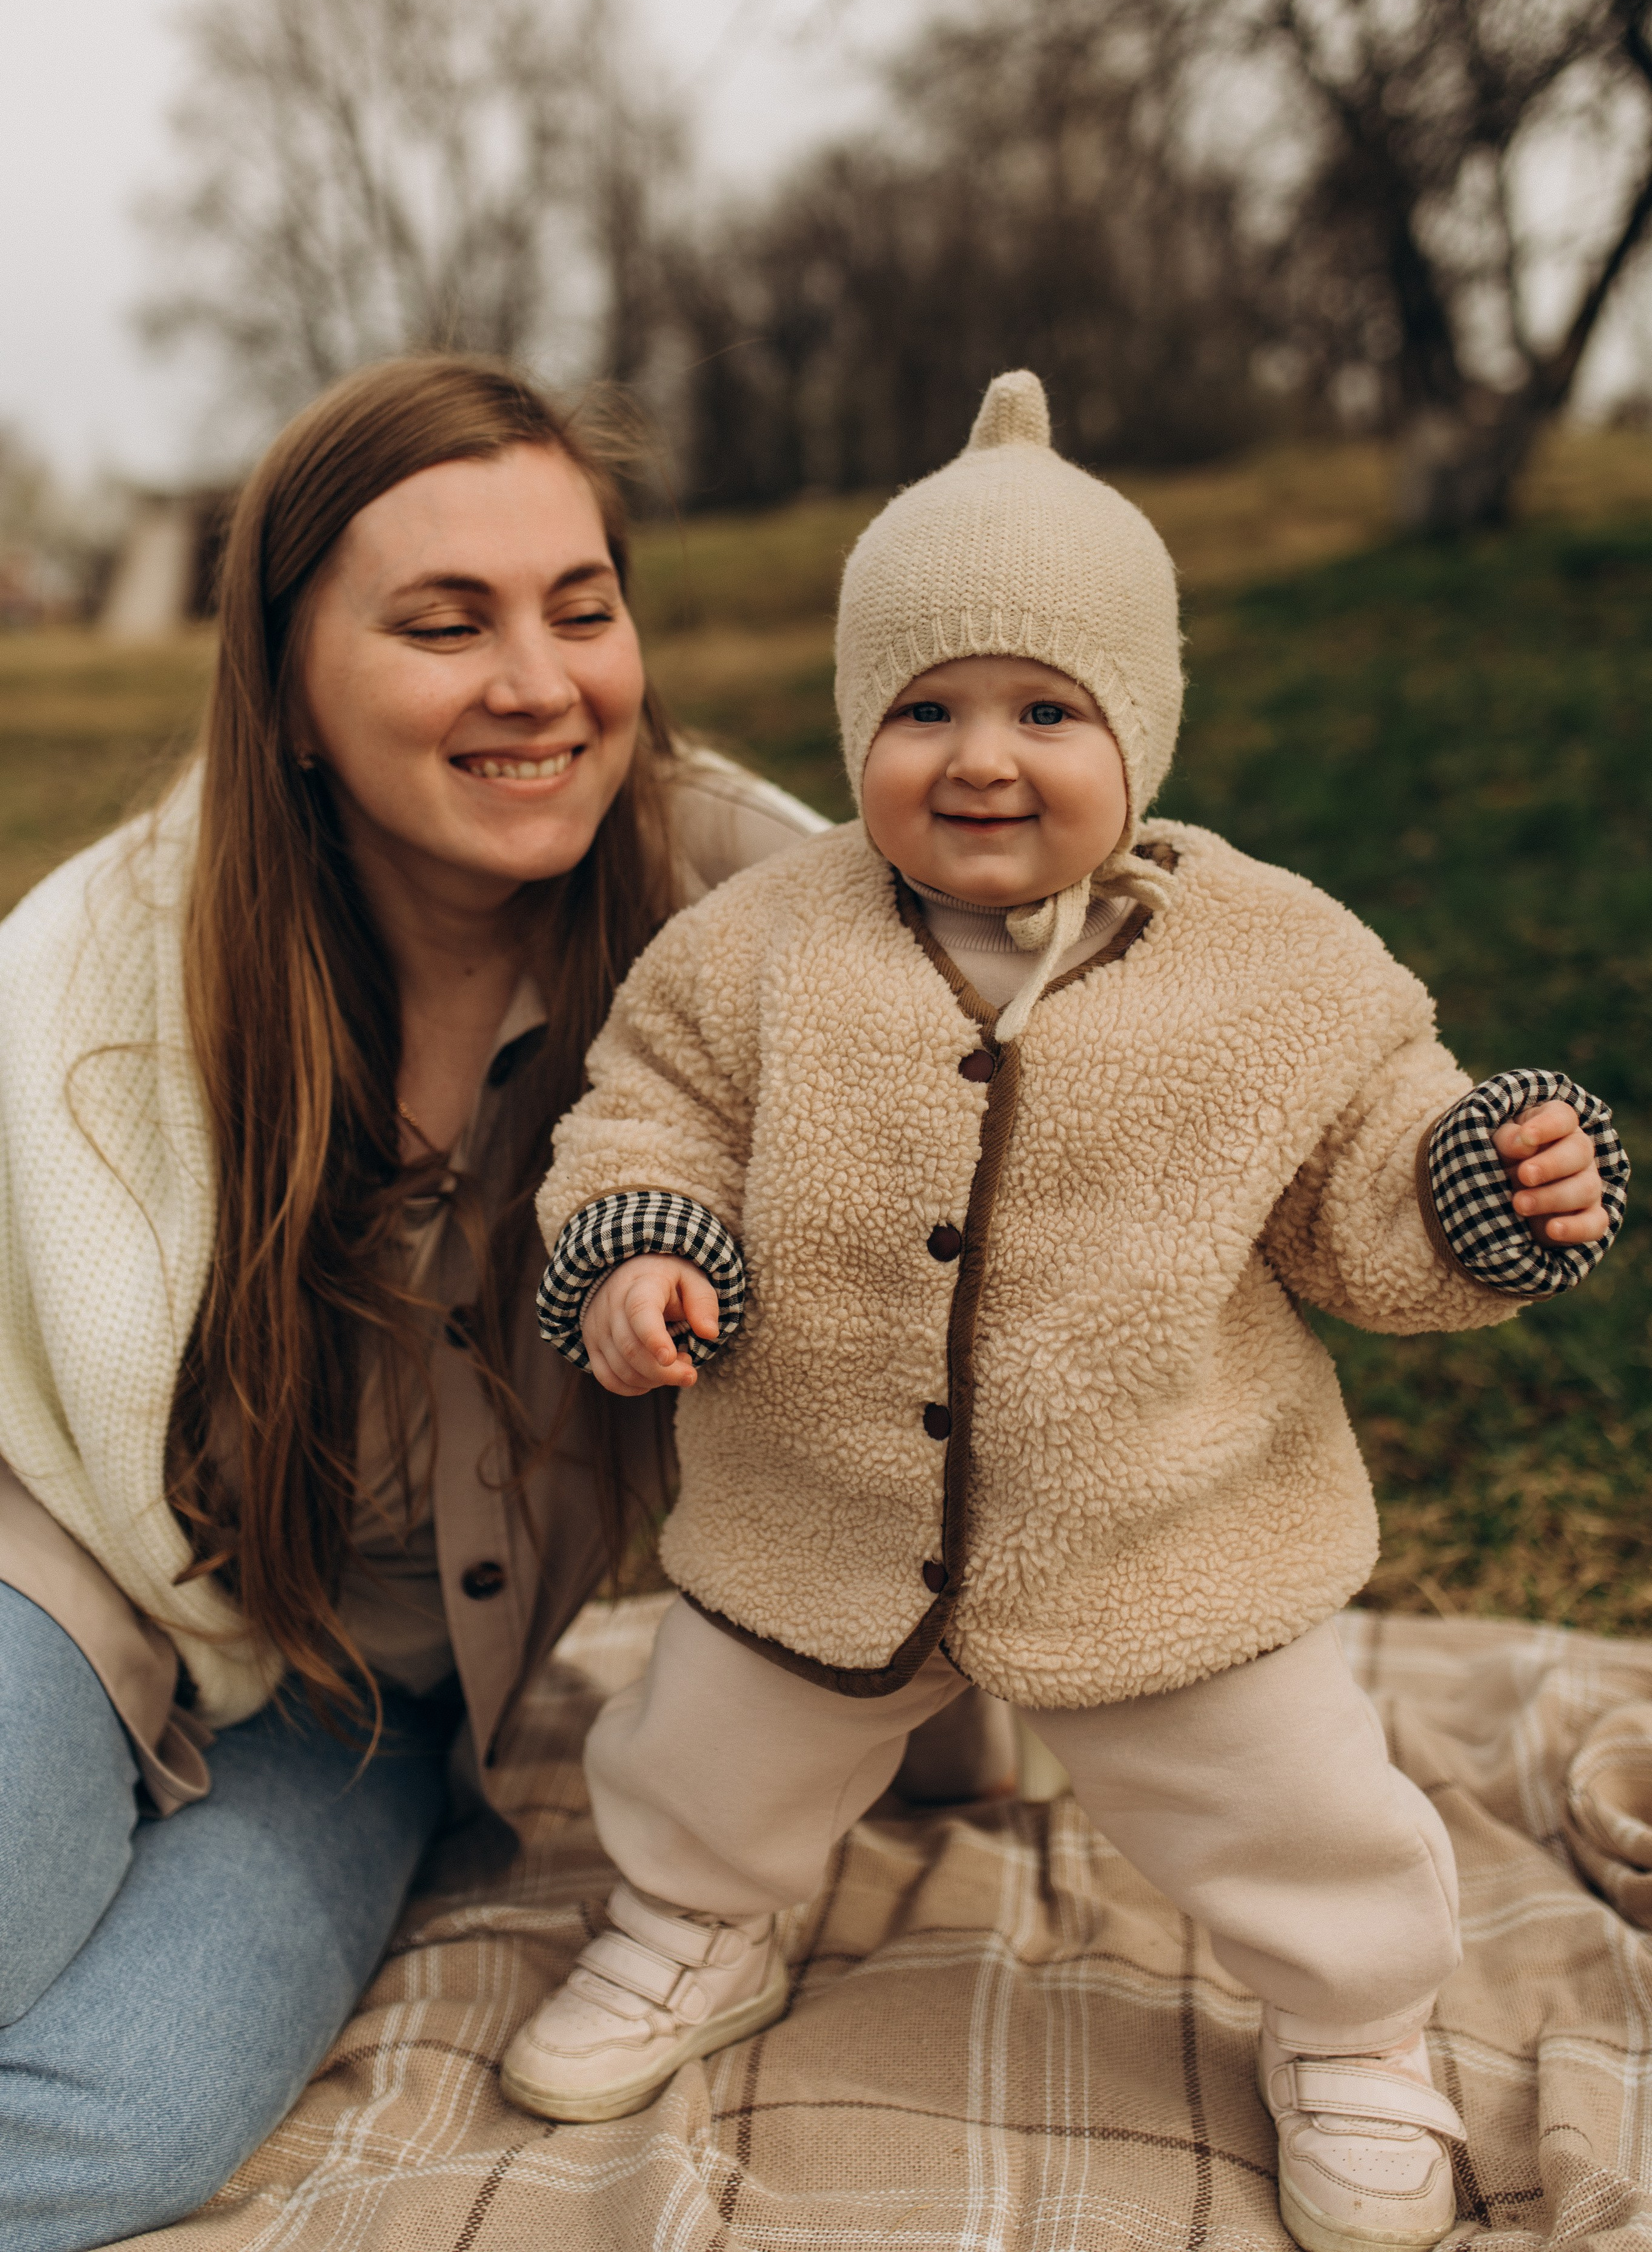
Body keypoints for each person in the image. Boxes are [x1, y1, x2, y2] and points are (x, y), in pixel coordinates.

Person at [503, 372, 1627, 2252]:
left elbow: (1370, 1166)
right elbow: (651, 1106)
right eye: (923, 710)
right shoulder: (763, 945)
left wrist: (1481, 1182)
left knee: (1294, 1806)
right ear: (862, 724)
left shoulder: (1273, 963)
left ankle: (1355, 2027)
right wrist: (637, 1244)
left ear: (1143, 728)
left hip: (1162, 1528)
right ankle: (696, 1924)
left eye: (1047, 708)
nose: (981, 758)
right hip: (820, 1502)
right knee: (710, 1750)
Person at [0, 352, 868, 2252]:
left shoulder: (753, 912)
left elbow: (1058, 1022)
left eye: (582, 607)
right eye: (444, 622)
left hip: (364, 1705)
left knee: (132, 2121)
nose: (541, 683)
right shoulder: (100, 965)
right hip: (61, 1578)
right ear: (293, 692)